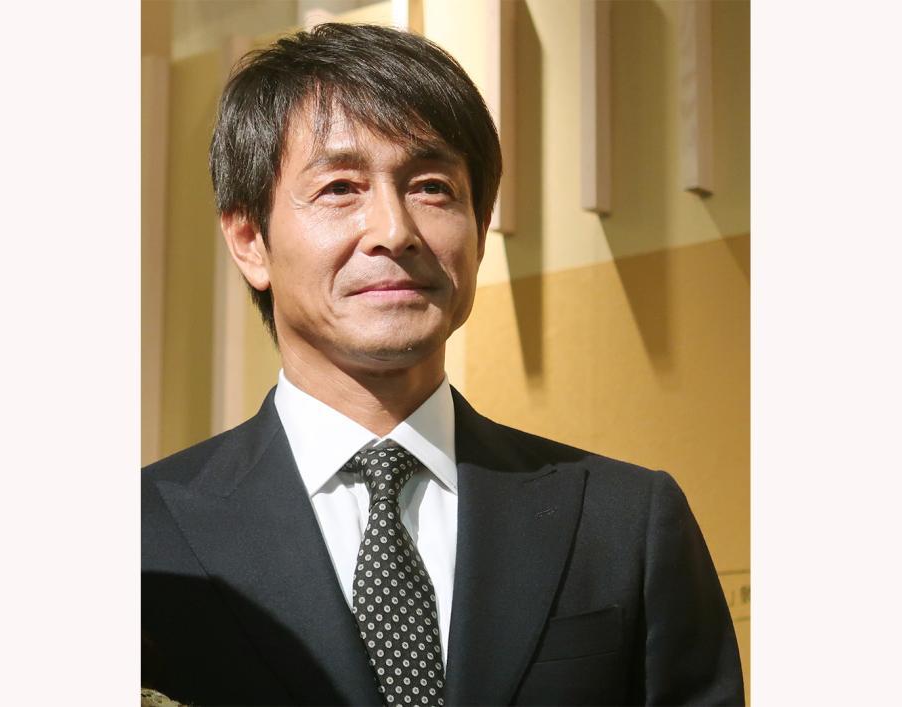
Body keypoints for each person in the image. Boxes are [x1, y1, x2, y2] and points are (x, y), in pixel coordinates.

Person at [142, 22, 744, 707]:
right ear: (250, 240)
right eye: (340, 188)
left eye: (431, 187)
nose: (394, 231)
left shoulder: (625, 523)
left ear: (480, 229)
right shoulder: (142, 535)